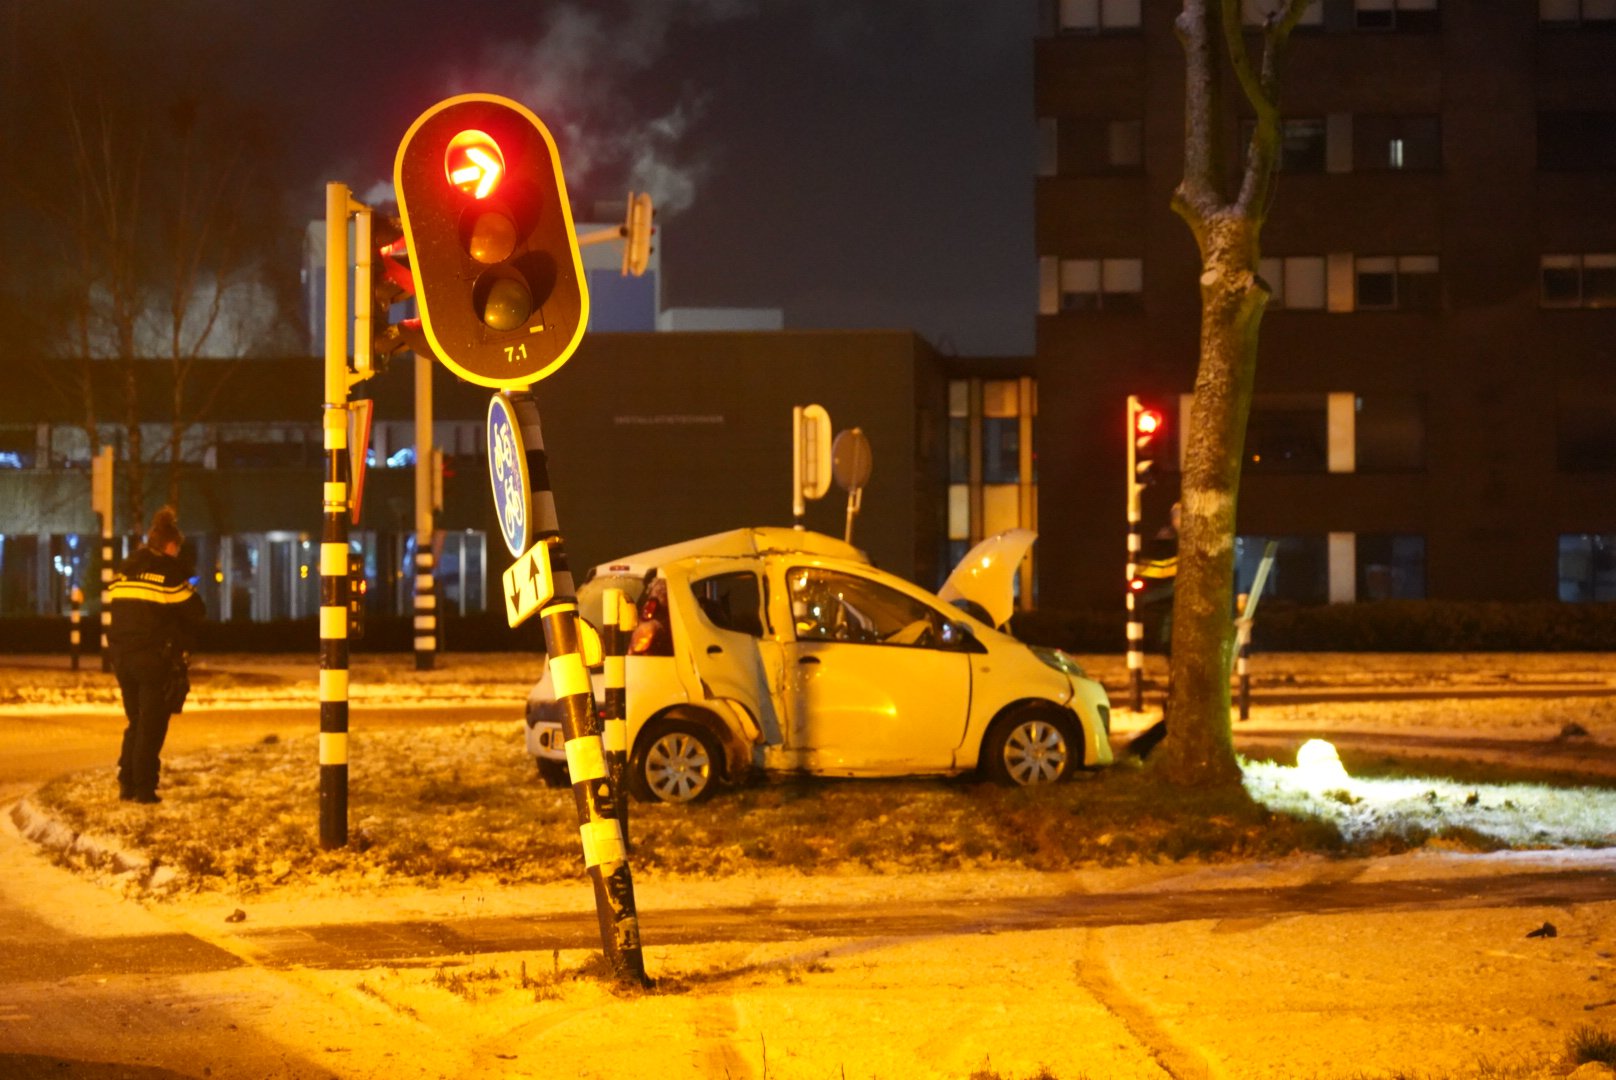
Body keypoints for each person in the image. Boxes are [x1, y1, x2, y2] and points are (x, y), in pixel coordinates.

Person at [108, 506, 204, 803]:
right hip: (152, 659)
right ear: (171, 545)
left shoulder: (125, 571)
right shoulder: (168, 574)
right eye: (178, 548)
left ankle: (127, 781)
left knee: (136, 721)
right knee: (152, 725)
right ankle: (144, 788)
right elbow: (195, 611)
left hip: (122, 657)